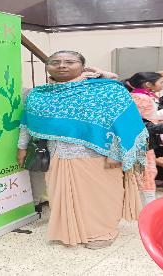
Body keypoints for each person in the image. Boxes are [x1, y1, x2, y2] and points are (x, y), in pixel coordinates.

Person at [17, 51, 148, 249]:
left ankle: (103, 232)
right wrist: (22, 148)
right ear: (47, 66)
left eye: (69, 62)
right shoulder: (38, 94)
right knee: (61, 195)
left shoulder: (107, 90)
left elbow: (123, 121)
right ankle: (70, 230)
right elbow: (26, 123)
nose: (61, 65)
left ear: (82, 66)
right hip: (58, 155)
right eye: (55, 62)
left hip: (99, 155)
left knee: (101, 196)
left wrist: (116, 152)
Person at [123, 72, 163, 202]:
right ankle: (147, 206)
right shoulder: (142, 99)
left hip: (138, 140)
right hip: (141, 141)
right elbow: (139, 123)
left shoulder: (138, 96)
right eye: (161, 82)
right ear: (148, 84)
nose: (162, 85)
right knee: (147, 172)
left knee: (143, 172)